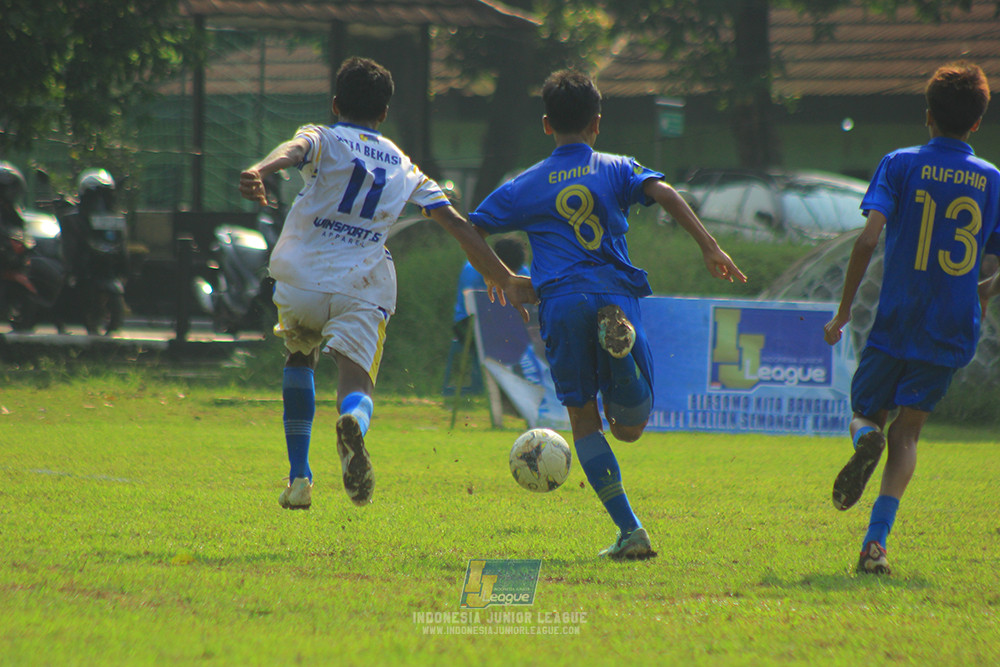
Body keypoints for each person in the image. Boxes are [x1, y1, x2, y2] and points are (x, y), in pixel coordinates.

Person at [469, 70, 747, 561]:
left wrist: (504, 277)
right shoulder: (617, 167)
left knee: (584, 418)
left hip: (561, 302)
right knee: (631, 428)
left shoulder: (525, 184)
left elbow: (471, 227)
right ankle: (618, 357)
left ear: (545, 124)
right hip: (615, 296)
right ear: (596, 123)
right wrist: (710, 246)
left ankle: (631, 531)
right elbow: (664, 192)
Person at [239, 56, 534, 510]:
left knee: (299, 358)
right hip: (361, 285)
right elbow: (455, 222)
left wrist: (261, 170)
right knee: (357, 383)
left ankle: (300, 480)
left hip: (301, 279)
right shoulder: (403, 164)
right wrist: (504, 276)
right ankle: (353, 420)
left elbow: (293, 150)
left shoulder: (325, 136)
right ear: (384, 113)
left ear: (336, 104)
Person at [823, 61, 1000, 575]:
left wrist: (841, 312)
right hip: (950, 325)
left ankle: (862, 439)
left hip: (897, 319)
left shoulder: (899, 163)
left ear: (927, 116)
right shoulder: (991, 180)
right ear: (977, 123)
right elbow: (993, 259)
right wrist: (984, 292)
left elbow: (867, 239)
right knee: (910, 433)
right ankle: (876, 544)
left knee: (866, 413)